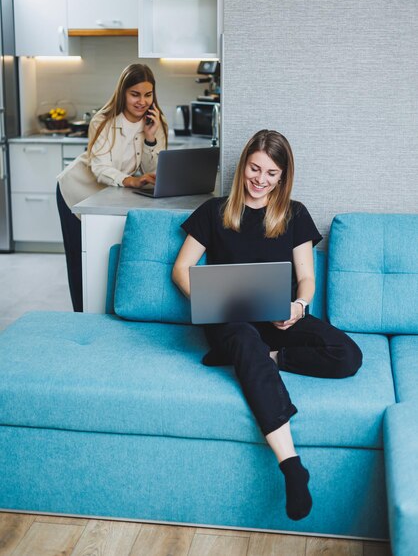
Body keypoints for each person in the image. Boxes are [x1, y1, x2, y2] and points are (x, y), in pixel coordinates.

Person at [172, 129, 362, 521]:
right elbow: (181, 270)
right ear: (243, 166)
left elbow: (306, 278)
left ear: (282, 177)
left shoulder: (293, 214)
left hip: (278, 318)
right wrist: (212, 302)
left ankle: (264, 356)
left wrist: (298, 305)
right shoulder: (215, 211)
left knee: (347, 355)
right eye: (254, 169)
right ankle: (292, 466)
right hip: (231, 321)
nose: (260, 180)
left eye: (271, 173)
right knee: (243, 335)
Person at [57, 63, 168, 312]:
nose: (142, 101)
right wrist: (131, 180)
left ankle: (105, 312)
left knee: (106, 257)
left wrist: (151, 137)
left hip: (108, 196)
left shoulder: (154, 122)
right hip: (75, 191)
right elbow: (99, 167)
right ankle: (82, 315)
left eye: (148, 94)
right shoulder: (103, 121)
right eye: (135, 94)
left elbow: (154, 168)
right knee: (81, 260)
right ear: (123, 93)